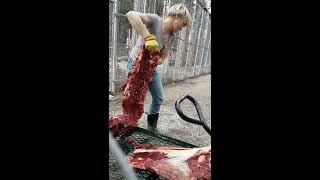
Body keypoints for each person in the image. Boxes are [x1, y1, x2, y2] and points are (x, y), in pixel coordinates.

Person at [126, 4, 192, 132]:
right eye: (183, 24)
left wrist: (156, 60)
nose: (181, 28)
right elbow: (131, 15)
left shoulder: (173, 37)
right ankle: (127, 127)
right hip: (136, 63)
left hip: (151, 67)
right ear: (177, 16)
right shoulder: (155, 21)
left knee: (158, 97)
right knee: (133, 98)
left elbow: (163, 58)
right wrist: (148, 37)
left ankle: (152, 128)